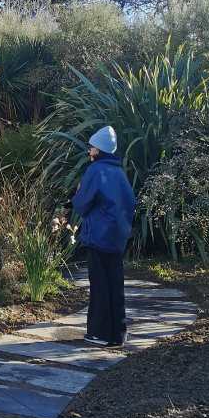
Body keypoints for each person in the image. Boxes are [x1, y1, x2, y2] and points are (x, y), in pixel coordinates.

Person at [71, 125, 136, 347]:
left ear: (98, 149)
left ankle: (99, 334)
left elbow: (81, 203)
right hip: (116, 239)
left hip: (97, 237)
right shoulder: (119, 173)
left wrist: (79, 190)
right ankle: (118, 334)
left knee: (99, 286)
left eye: (90, 147)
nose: (89, 151)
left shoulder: (95, 171)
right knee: (115, 286)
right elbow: (130, 203)